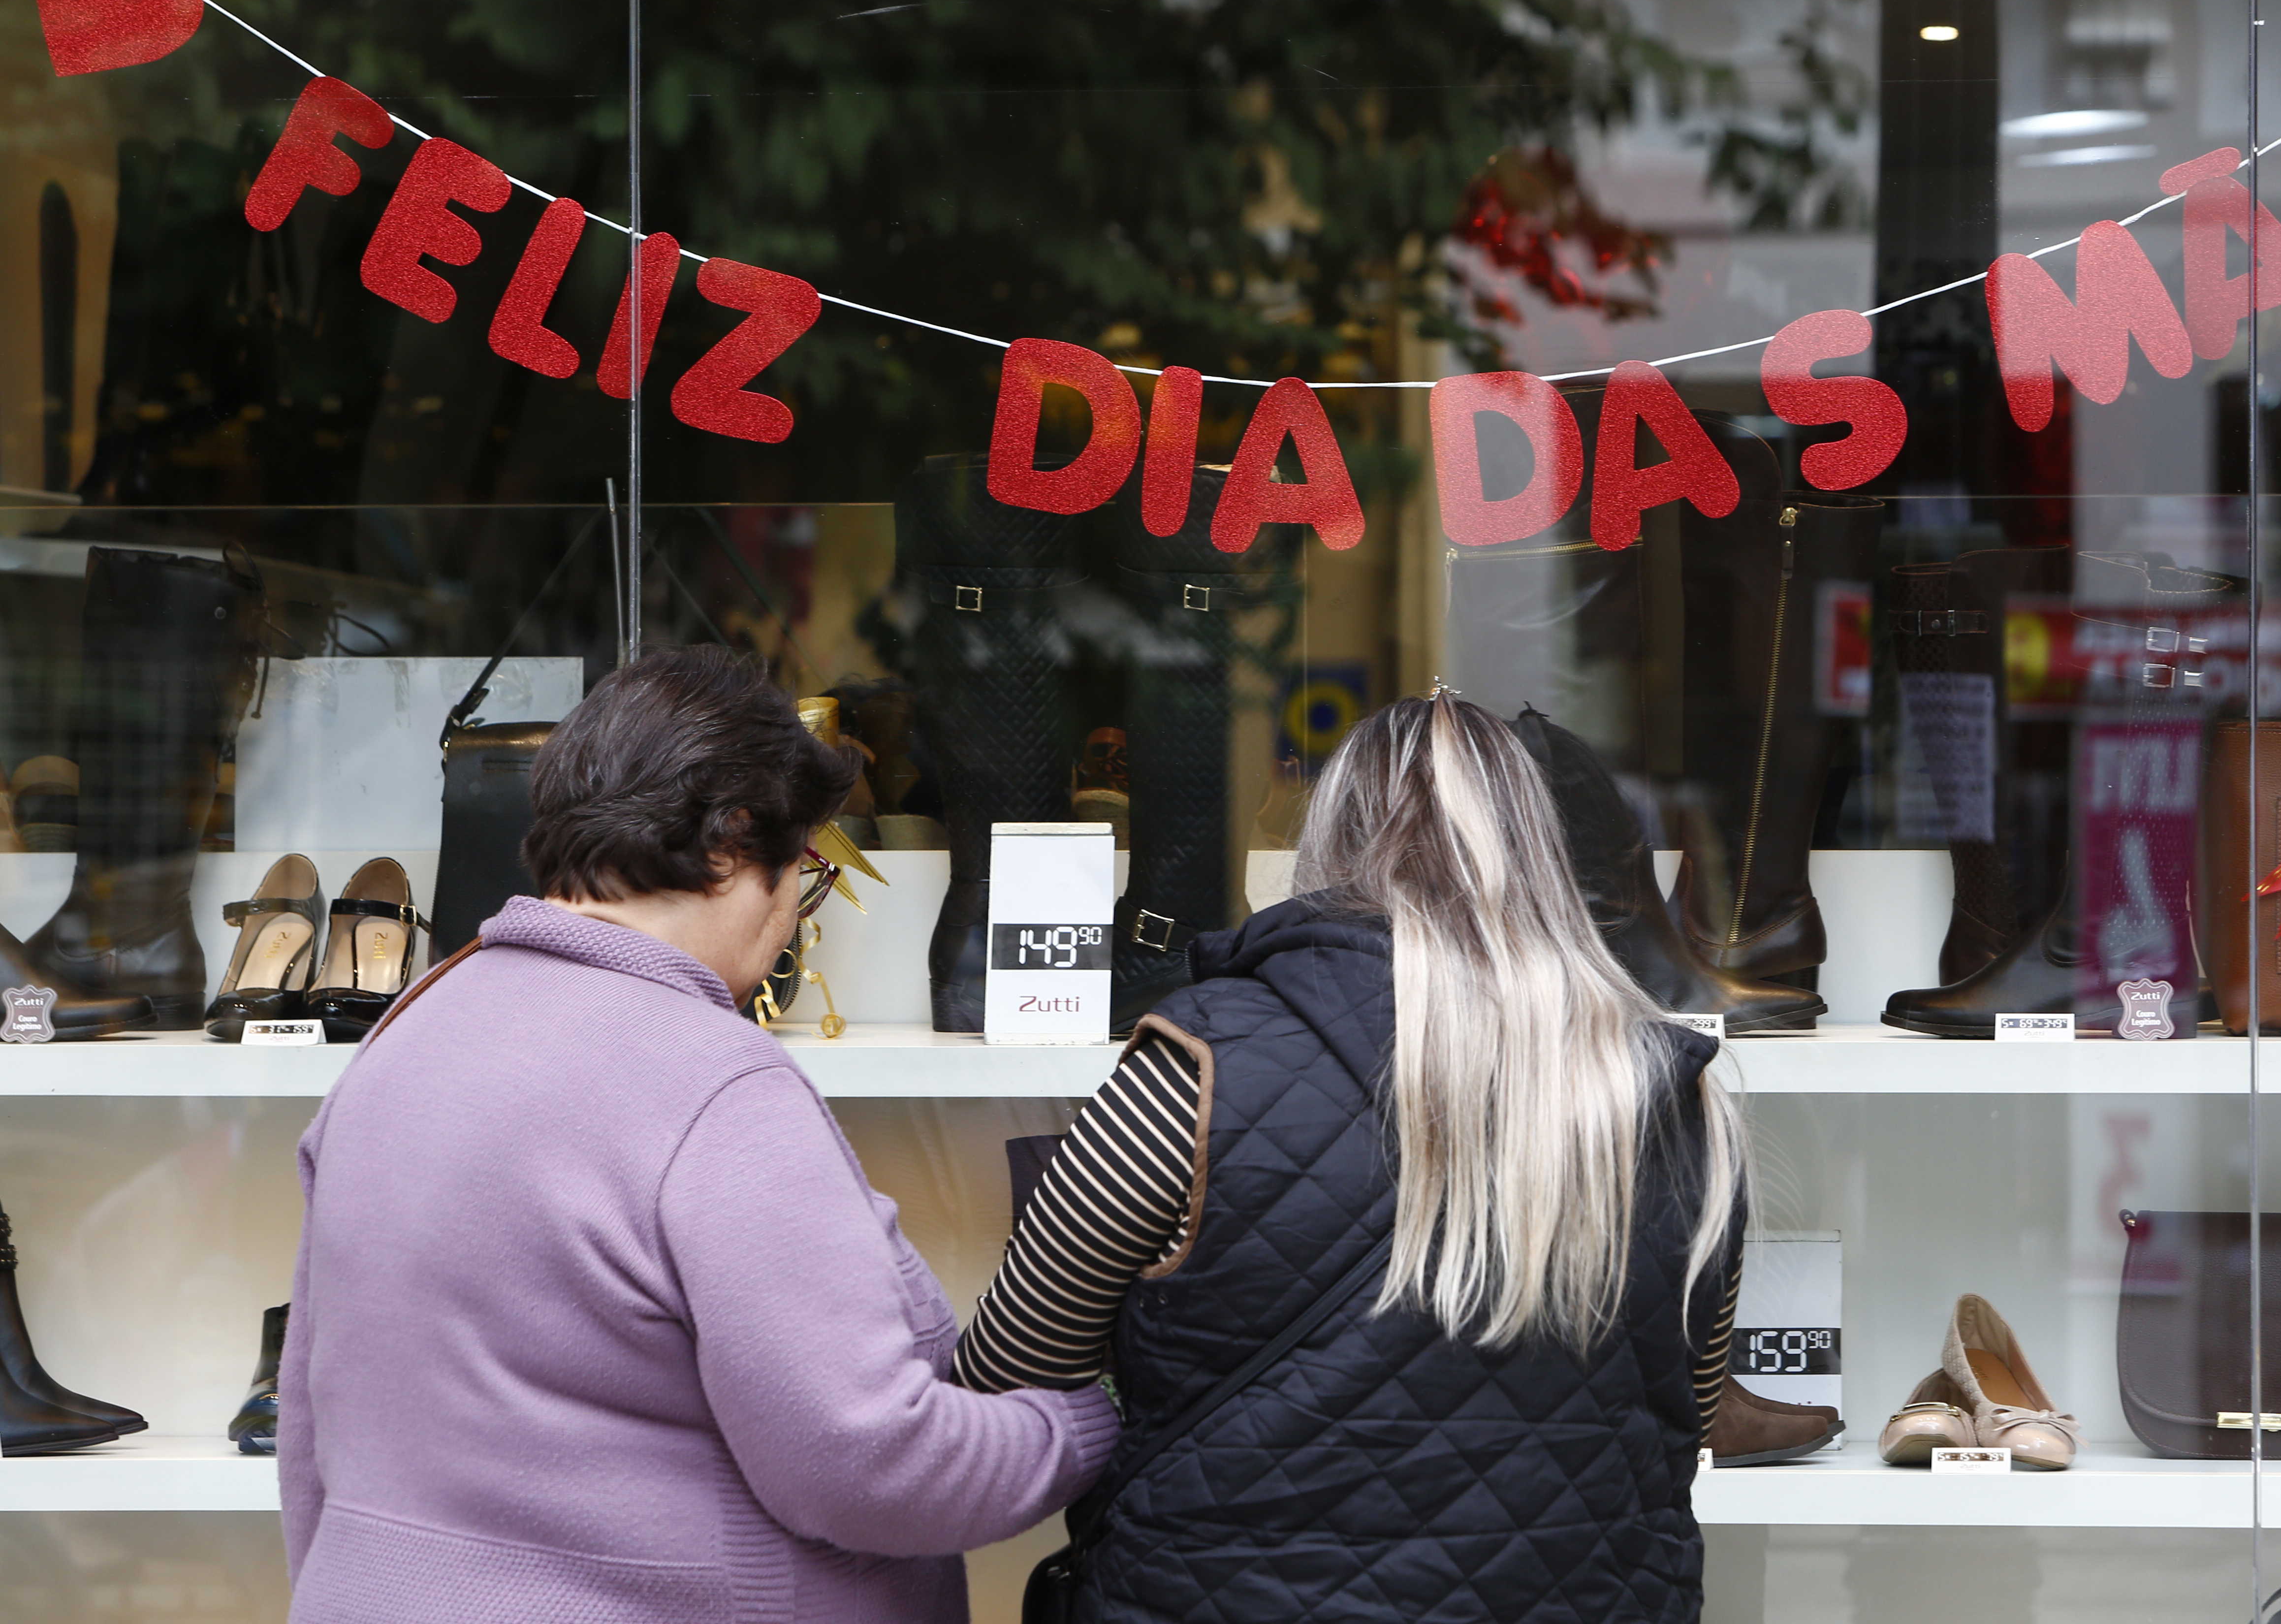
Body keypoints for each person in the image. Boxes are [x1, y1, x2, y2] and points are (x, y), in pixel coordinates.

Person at [279, 646, 1116, 1624]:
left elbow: (309, 1432)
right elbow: (869, 1467)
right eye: (803, 868)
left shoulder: (405, 1034)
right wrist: (1085, 1422)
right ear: (730, 843)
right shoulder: (716, 1085)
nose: (793, 916)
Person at [958, 690, 1752, 1623]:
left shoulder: (1195, 1069)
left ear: (1327, 849)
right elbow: (1691, 1412)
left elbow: (1006, 1371)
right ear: (1545, 855)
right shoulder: (1678, 1092)